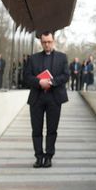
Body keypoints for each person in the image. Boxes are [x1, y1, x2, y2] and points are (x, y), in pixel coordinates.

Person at [23, 31, 70, 168]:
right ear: (41, 42)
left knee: (52, 129)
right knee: (36, 129)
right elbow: (27, 76)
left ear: (53, 41)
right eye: (44, 42)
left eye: (49, 42)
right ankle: (38, 157)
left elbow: (66, 75)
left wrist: (52, 82)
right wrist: (39, 82)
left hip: (54, 98)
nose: (47, 44)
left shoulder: (62, 57)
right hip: (37, 98)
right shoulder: (33, 58)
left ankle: (49, 156)